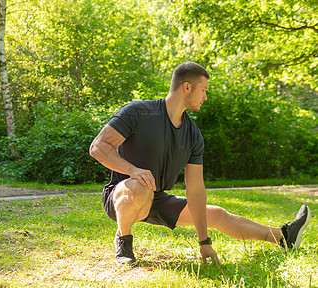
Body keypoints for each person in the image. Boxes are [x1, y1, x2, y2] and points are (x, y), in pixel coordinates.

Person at [89, 61, 310, 265]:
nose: (205, 97)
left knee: (218, 215)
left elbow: (195, 190)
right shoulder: (138, 113)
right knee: (138, 185)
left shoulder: (193, 134)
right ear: (187, 87)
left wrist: (204, 242)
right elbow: (98, 147)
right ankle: (124, 244)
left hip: (156, 198)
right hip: (122, 195)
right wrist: (132, 170)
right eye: (203, 90)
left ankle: (283, 236)